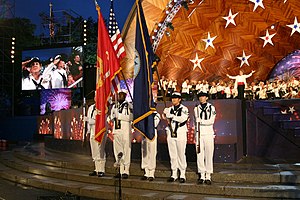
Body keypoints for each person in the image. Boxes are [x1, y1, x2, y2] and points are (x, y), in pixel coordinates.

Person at [163, 92, 189, 183]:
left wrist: (172, 116)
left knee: (181, 153)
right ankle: (174, 173)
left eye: (176, 98)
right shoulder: (169, 109)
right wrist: (165, 113)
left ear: (179, 99)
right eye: (172, 98)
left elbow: (183, 118)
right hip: (170, 131)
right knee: (172, 154)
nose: (173, 99)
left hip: (180, 132)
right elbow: (165, 117)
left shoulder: (184, 109)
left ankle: (182, 173)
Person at [194, 91, 216, 185]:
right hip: (199, 133)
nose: (201, 98)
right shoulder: (196, 108)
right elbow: (196, 121)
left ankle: (208, 175)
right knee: (199, 154)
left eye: (203, 96)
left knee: (209, 154)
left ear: (206, 98)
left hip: (208, 133)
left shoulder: (211, 107)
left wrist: (201, 121)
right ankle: (202, 175)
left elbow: (211, 121)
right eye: (200, 97)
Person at [109, 91, 133, 179]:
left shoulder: (129, 105)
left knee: (126, 149)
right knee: (117, 150)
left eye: (122, 95)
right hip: (116, 130)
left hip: (125, 130)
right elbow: (111, 117)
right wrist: (113, 116)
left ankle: (126, 170)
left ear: (125, 96)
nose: (120, 96)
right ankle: (120, 170)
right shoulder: (115, 106)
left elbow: (131, 117)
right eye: (119, 95)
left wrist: (119, 116)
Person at [86, 92, 107, 177]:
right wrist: (88, 130)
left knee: (100, 150)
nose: (96, 98)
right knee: (94, 151)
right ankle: (96, 168)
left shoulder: (103, 108)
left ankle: (101, 169)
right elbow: (88, 121)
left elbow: (100, 121)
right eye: (95, 97)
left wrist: (89, 120)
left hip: (100, 132)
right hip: (92, 132)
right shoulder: (91, 107)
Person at [141, 102, 161, 181]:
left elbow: (154, 124)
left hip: (152, 133)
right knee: (145, 152)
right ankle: (146, 171)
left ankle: (151, 172)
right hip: (144, 134)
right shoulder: (144, 114)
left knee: (152, 152)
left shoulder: (156, 115)